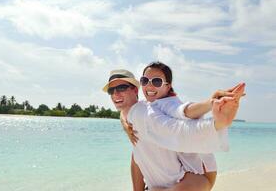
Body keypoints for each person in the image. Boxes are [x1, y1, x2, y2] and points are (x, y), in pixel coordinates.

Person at [103, 67, 244, 191]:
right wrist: (123, 119)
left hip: (196, 177)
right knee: (137, 149)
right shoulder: (140, 111)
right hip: (189, 178)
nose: (115, 93)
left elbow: (180, 126)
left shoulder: (151, 111)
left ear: (135, 89)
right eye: (111, 90)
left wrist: (216, 120)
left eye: (121, 88)